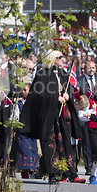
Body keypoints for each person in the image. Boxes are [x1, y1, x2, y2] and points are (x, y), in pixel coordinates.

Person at [19, 50, 85, 184]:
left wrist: (68, 96)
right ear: (52, 58)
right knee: (51, 144)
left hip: (63, 114)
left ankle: (68, 172)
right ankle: (53, 173)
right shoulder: (43, 73)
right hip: (49, 114)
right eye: (59, 57)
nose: (62, 59)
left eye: (63, 57)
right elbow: (39, 94)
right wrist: (56, 97)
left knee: (66, 142)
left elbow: (68, 89)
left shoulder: (63, 73)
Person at [77, 60, 97, 175]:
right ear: (85, 69)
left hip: (96, 115)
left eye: (93, 67)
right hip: (84, 115)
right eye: (89, 67)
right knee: (86, 142)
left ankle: (96, 164)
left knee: (95, 141)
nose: (91, 69)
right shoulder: (80, 81)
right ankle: (88, 166)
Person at [15, 83, 37, 179]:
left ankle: (31, 169)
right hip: (22, 131)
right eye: (22, 90)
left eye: (25, 90)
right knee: (24, 150)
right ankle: (24, 170)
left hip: (31, 130)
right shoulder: (19, 104)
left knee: (32, 149)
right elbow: (15, 117)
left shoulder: (34, 103)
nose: (23, 92)